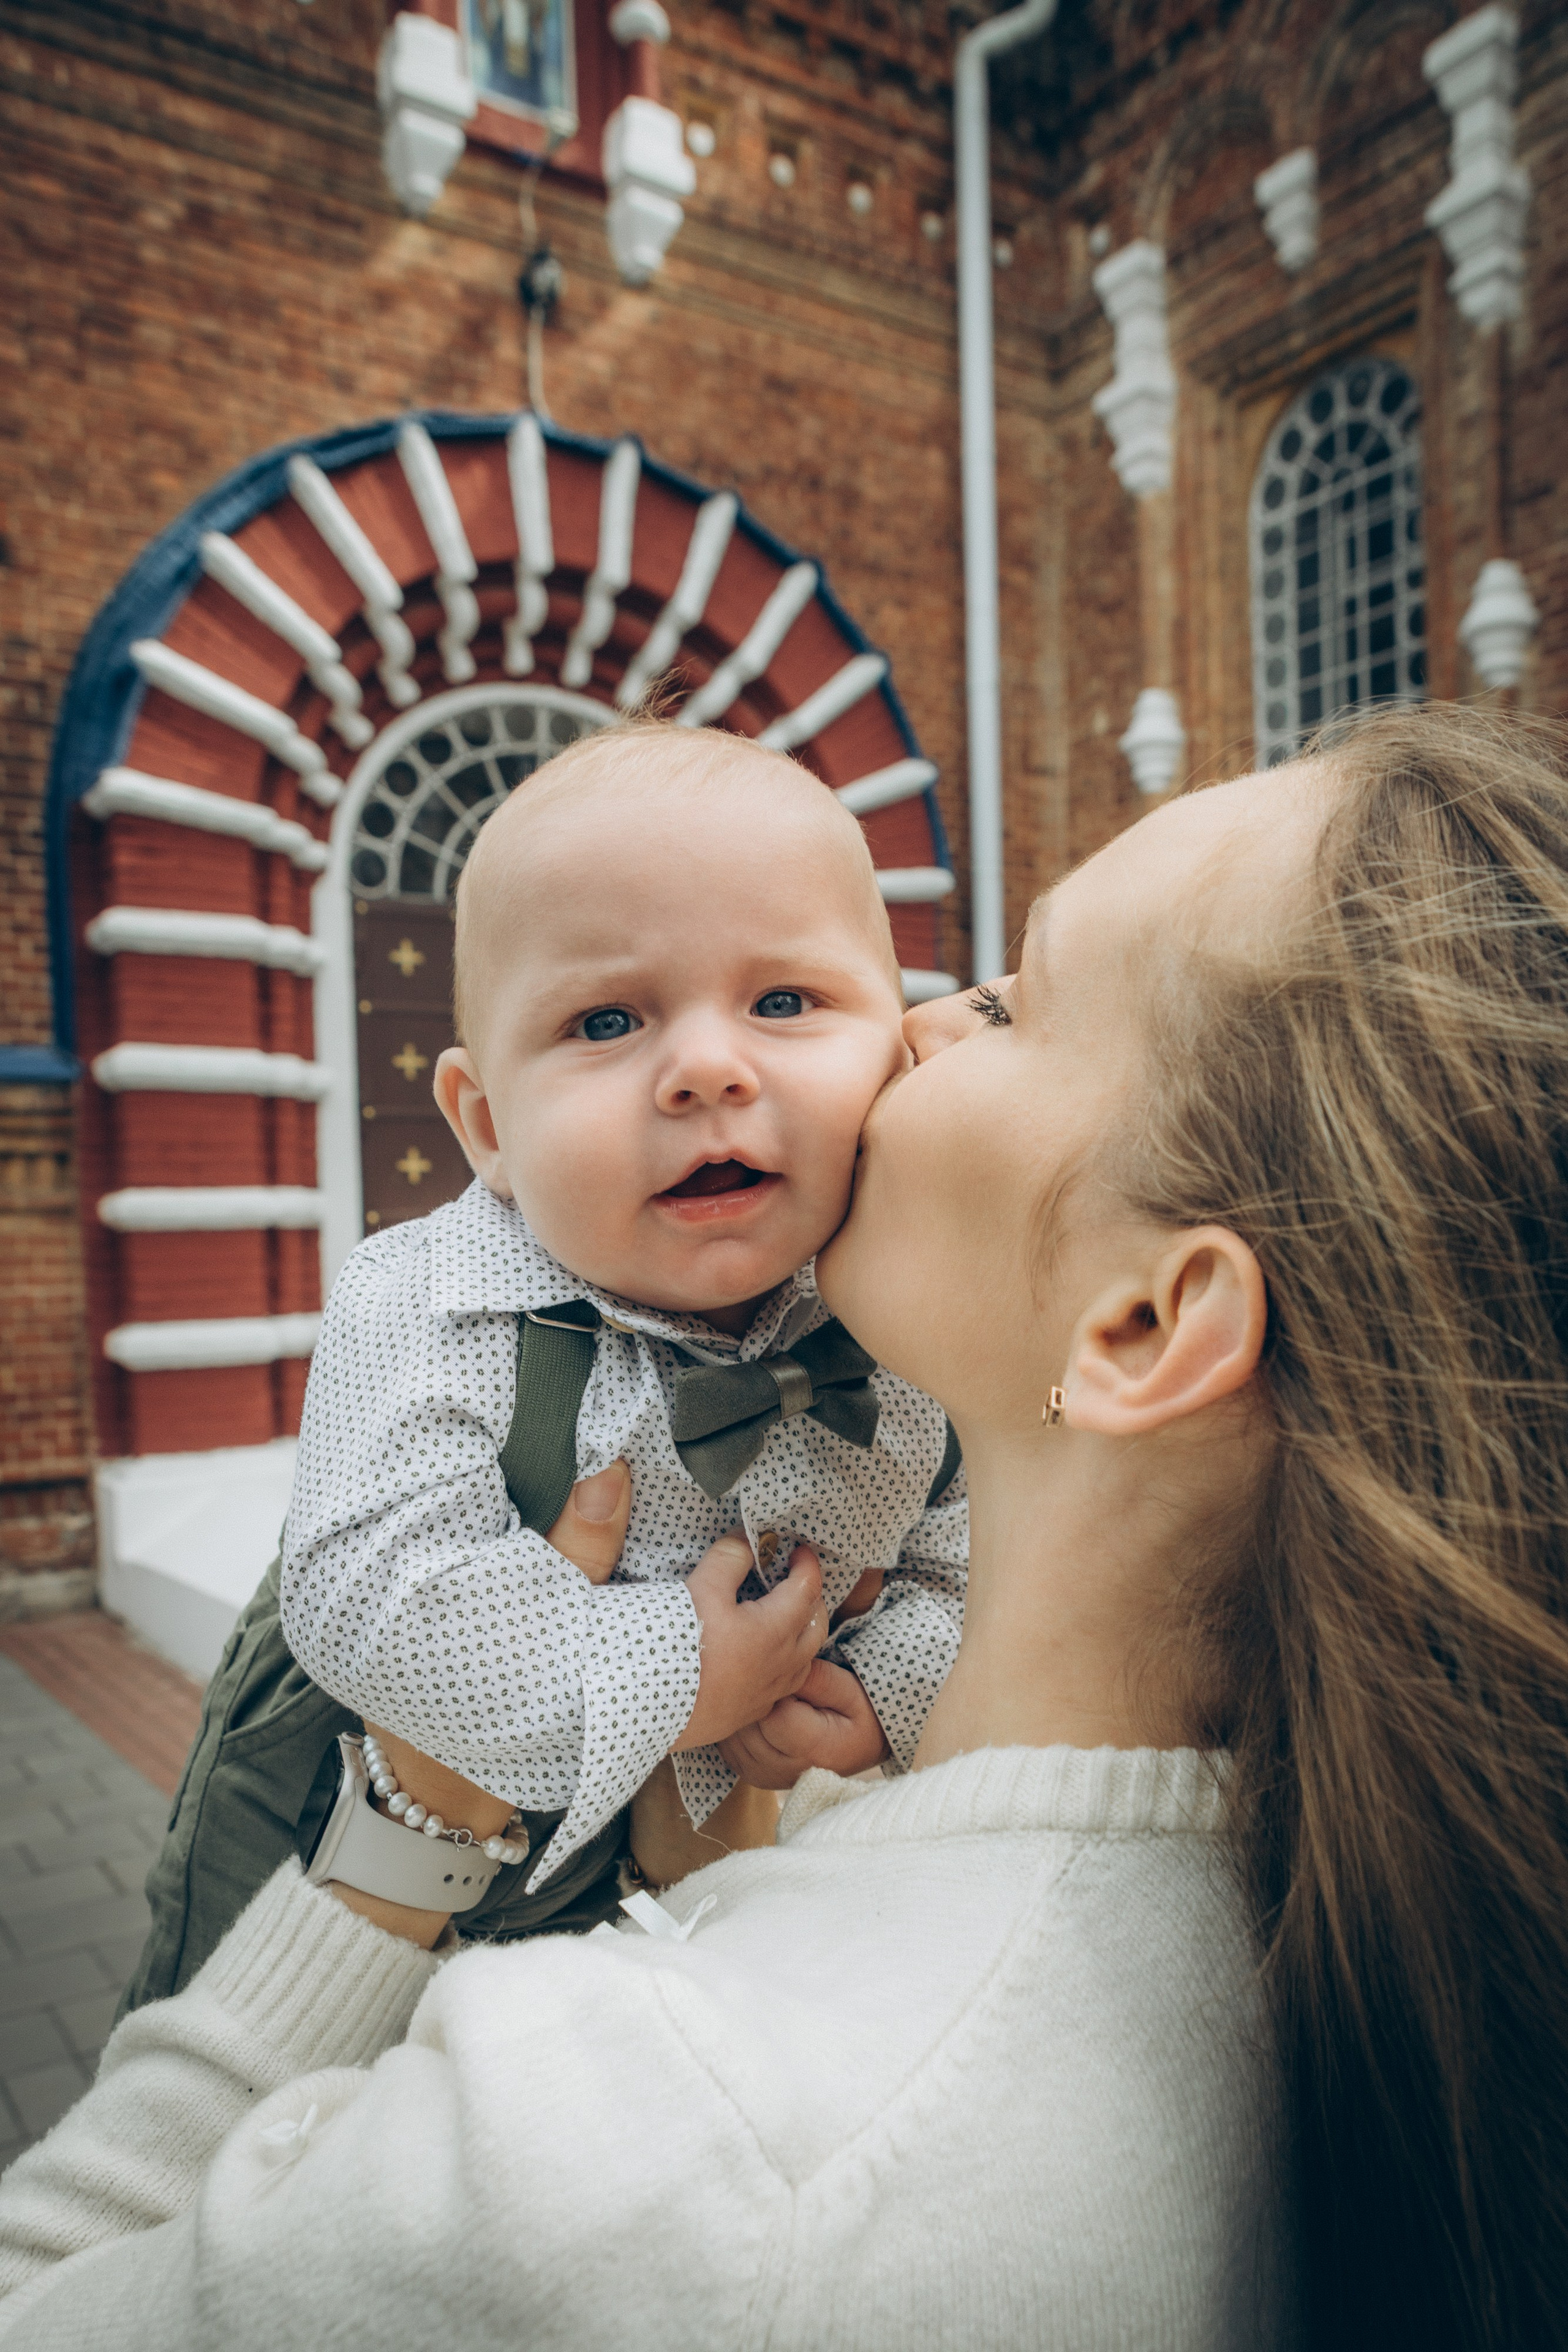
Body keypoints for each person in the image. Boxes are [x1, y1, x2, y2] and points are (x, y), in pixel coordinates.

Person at [4, 703, 1566, 2352]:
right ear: (476, 1114)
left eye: (1016, 1003)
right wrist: (846, 1710)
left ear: (1137, 1332)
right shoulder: (1278, 1904)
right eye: (611, 1017)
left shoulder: (692, 2156)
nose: (915, 1039)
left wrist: (400, 1850)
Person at [119, 720, 968, 2011]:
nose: (705, 1069)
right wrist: (683, 1670)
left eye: (783, 1001)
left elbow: (967, 1554)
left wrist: (887, 1680)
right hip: (353, 1798)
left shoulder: (905, 1304)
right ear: (485, 1125)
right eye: (607, 1019)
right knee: (252, 2093)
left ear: (895, 1051)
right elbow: (367, 1594)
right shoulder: (428, 1295)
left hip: (661, 1870)